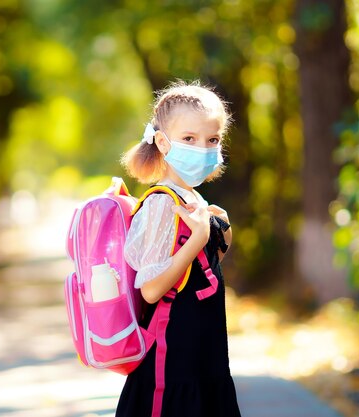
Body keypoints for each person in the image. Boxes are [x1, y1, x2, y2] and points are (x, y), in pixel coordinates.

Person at [116, 80, 241, 417]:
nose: (202, 148)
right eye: (189, 139)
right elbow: (152, 288)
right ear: (162, 142)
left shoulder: (195, 201)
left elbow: (201, 273)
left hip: (206, 359)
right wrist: (198, 240)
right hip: (170, 368)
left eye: (212, 140)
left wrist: (220, 236)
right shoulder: (161, 204)